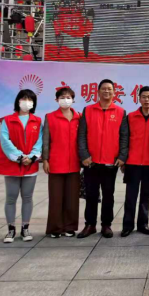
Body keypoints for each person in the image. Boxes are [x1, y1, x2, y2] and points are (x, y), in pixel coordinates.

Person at [77, 79, 129, 239]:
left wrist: (122, 156)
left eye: (109, 89)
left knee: (108, 195)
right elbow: (81, 135)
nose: (107, 91)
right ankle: (90, 225)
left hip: (110, 162)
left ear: (114, 92)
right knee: (91, 195)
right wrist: (84, 155)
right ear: (98, 91)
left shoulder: (120, 112)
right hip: (91, 162)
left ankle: (106, 225)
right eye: (104, 89)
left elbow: (124, 136)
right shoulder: (88, 110)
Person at [0, 89, 42, 243]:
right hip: (12, 165)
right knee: (11, 197)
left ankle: (25, 228)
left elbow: (40, 141)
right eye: (24, 99)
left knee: (27, 197)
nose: (27, 102)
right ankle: (10, 230)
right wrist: (20, 157)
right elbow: (5, 141)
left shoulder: (37, 121)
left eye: (30, 99)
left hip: (30, 166)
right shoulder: (8, 120)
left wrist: (32, 157)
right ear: (18, 101)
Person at [42, 86, 81, 238]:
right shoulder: (50, 117)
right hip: (56, 163)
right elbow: (46, 140)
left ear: (73, 100)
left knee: (72, 198)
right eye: (62, 97)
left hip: (74, 163)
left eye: (68, 97)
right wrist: (45, 159)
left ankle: (70, 227)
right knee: (56, 198)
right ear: (56, 100)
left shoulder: (79, 117)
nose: (65, 100)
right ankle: (55, 228)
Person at [121, 86, 149, 237]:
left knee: (145, 196)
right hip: (133, 162)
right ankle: (127, 225)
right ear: (139, 99)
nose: (147, 100)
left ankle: (143, 224)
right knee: (130, 196)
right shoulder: (131, 117)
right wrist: (123, 159)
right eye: (144, 97)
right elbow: (124, 139)